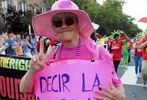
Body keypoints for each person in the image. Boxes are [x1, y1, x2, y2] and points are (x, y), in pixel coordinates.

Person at [20, 0, 125, 99]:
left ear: (77, 24)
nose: (64, 26)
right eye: (58, 22)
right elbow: (23, 89)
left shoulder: (98, 52)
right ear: (53, 28)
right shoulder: (50, 56)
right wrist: (32, 71)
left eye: (69, 20)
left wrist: (119, 97)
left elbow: (118, 86)